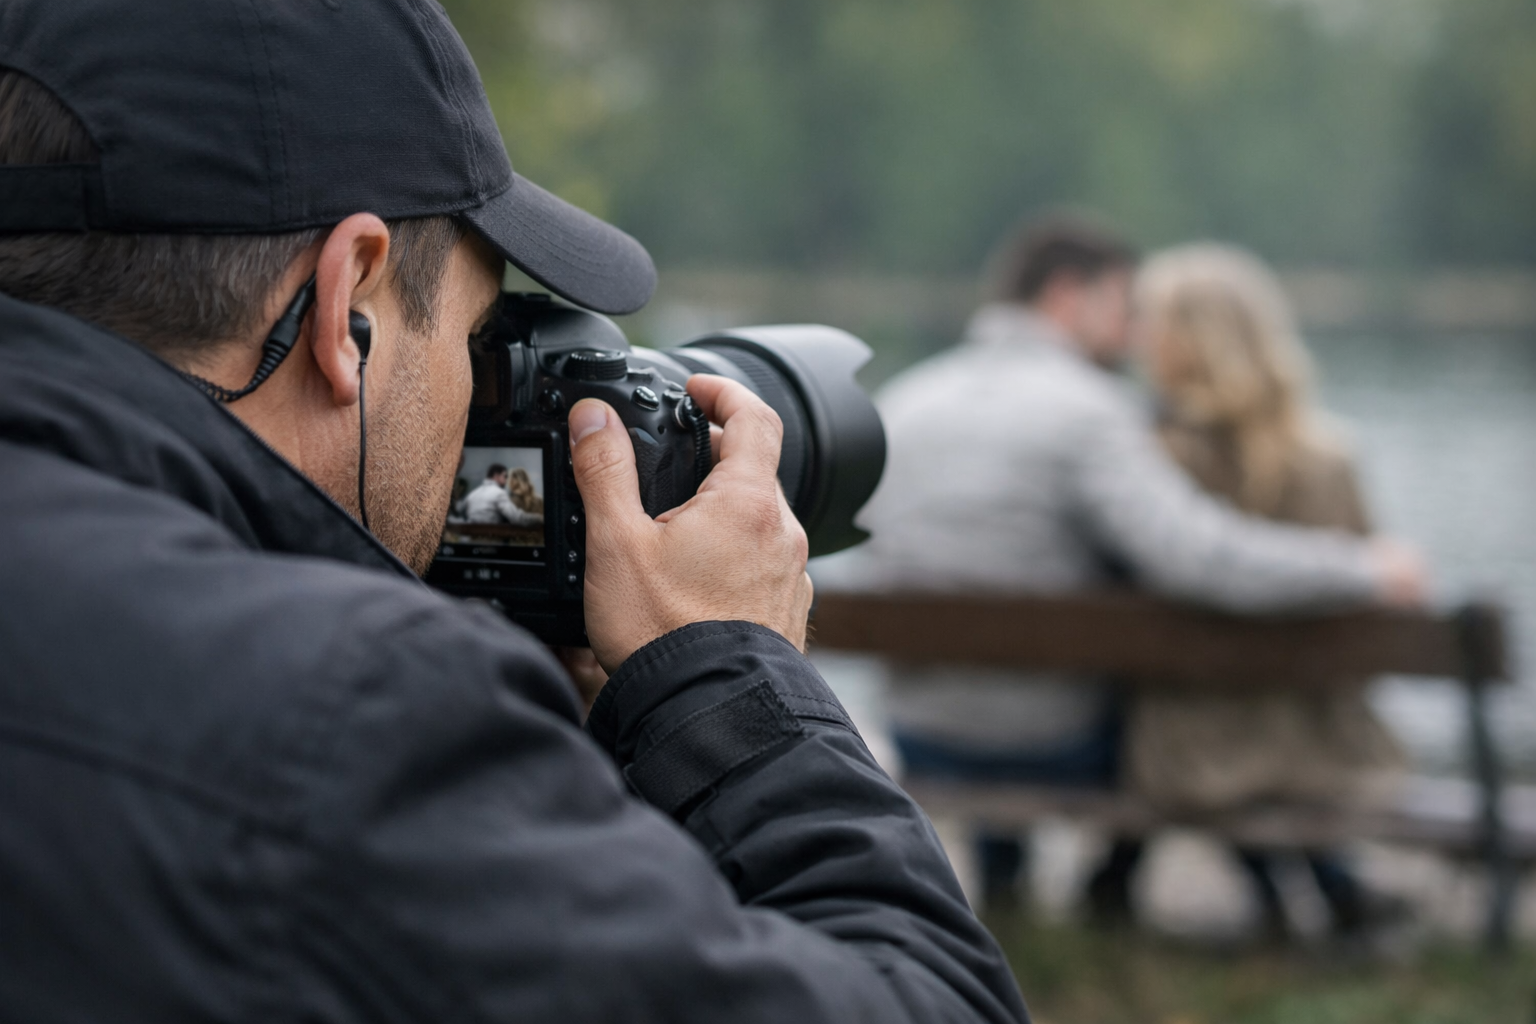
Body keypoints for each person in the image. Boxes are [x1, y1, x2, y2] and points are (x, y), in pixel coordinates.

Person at [0, 5, 1026, 1023]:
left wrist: (557, 769)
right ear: (342, 303)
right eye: (481, 340)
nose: (478, 399)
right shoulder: (347, 716)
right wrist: (728, 677)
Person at [815, 215, 1424, 913]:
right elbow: (1200, 558)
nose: (1133, 330)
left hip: (923, 733)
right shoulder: (1093, 412)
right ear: (1072, 295)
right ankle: (1308, 890)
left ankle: (1009, 890)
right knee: (1165, 705)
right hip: (1052, 744)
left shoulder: (905, 401)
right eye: (1122, 305)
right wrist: (1362, 569)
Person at [1129, 243, 1409, 938]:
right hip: (1324, 744)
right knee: (1265, 716)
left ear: (1179, 341)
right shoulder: (1331, 460)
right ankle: (1332, 888)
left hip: (1189, 748)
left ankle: (1291, 894)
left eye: (1149, 320)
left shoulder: (1146, 460)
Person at [464, 463, 545, 527]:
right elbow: (517, 518)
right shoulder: (499, 493)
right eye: (505, 476)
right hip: (493, 539)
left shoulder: (473, 494)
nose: (506, 480)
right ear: (496, 476)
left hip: (472, 539)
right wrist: (540, 518)